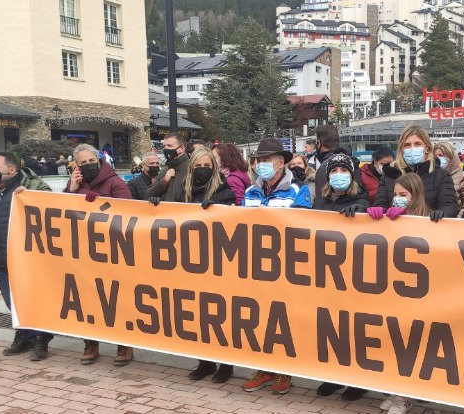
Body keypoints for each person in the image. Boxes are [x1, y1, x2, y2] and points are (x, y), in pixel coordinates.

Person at [149, 148, 237, 384]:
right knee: (197, 315)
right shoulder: (182, 191)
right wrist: (157, 203)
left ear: (214, 168)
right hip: (190, 262)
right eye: (197, 166)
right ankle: (204, 362)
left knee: (219, 315)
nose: (202, 170)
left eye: (206, 166)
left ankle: (226, 364)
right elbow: (171, 216)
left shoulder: (224, 191)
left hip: (217, 263)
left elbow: (232, 222)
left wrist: (217, 209)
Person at [0, 153, 54, 361]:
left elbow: (52, 205)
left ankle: (42, 337)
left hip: (27, 260)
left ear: (12, 170)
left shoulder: (33, 185)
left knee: (33, 300)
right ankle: (26, 335)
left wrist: (32, 196)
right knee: (12, 302)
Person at [241, 138, 311, 395]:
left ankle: (284, 371)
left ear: (281, 162)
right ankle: (264, 368)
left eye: (267, 160)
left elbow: (302, 227)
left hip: (285, 268)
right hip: (255, 267)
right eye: (259, 160)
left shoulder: (298, 190)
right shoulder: (250, 192)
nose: (262, 164)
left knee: (284, 320)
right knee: (258, 319)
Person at [64, 144, 135, 366]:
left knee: (117, 300)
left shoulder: (115, 183)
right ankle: (91, 344)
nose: (87, 166)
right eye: (82, 163)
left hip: (113, 252)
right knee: (88, 301)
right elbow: (61, 211)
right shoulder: (75, 185)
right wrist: (72, 190)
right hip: (85, 253)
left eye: (90, 161)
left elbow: (128, 213)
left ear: (99, 160)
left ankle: (124, 346)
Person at [367, 172, 431, 414]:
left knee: (407, 346)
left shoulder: (425, 218)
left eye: (403, 195)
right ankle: (394, 392)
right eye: (395, 195)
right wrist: (376, 220)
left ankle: (404, 398)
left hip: (413, 293)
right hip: (392, 289)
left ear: (415, 195)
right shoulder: (393, 218)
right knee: (392, 343)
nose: (398, 200)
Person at [311, 152, 371, 400]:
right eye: (334, 171)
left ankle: (358, 380)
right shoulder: (321, 201)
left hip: (352, 275)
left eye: (344, 171)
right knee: (330, 327)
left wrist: (363, 211)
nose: (338, 176)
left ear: (352, 175)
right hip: (327, 272)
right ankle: (334, 376)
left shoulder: (361, 200)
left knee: (353, 328)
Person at [372, 125, 457, 221]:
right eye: (407, 145)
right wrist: (381, 211)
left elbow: (449, 206)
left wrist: (441, 214)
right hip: (395, 231)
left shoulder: (441, 175)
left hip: (428, 231)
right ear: (401, 149)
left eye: (417, 144)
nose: (412, 148)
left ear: (427, 148)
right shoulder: (388, 175)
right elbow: (380, 204)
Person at [145, 133, 189, 202]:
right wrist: (164, 182)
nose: (165, 149)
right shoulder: (165, 170)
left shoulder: (191, 168)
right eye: (164, 146)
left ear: (182, 148)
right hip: (166, 211)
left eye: (169, 146)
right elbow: (147, 196)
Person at [434, 141, 464, 217]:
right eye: (435, 156)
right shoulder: (432, 176)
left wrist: (457, 219)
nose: (438, 158)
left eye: (441, 155)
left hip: (454, 221)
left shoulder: (461, 175)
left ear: (450, 157)